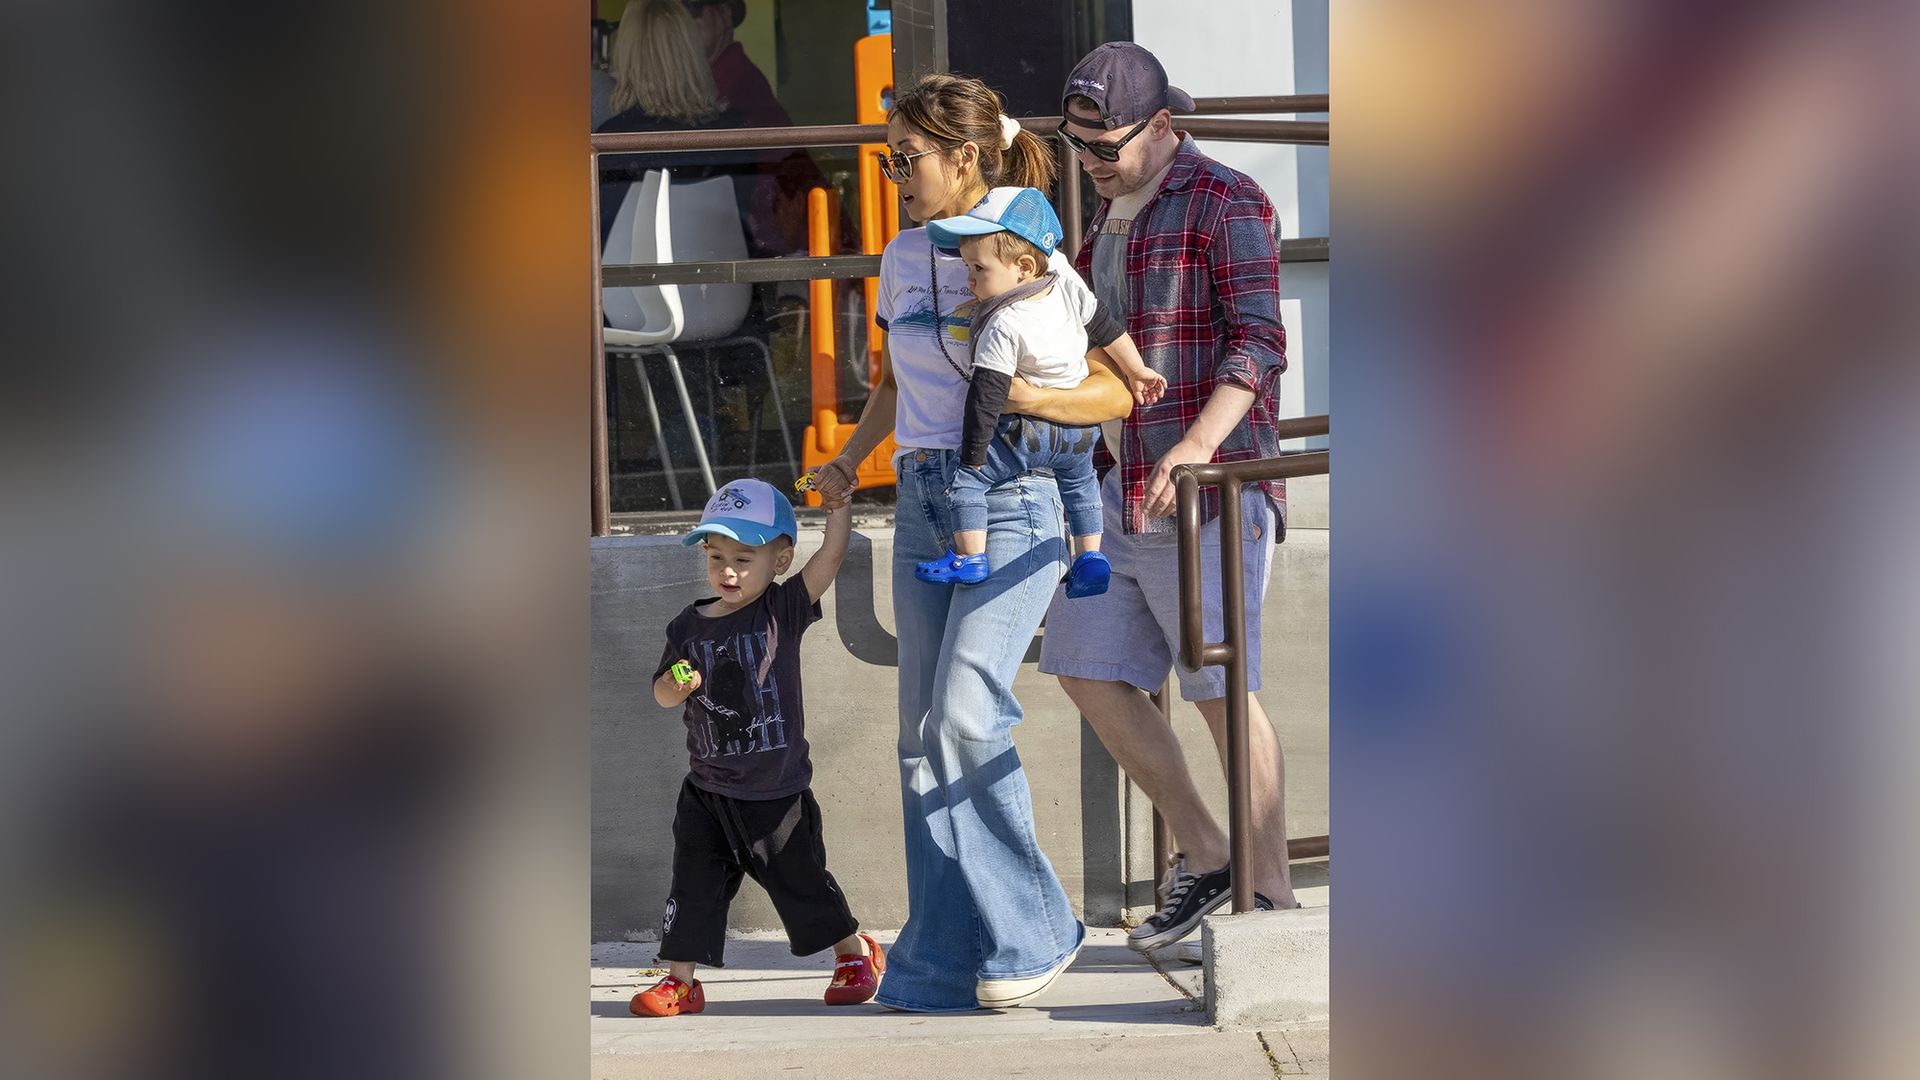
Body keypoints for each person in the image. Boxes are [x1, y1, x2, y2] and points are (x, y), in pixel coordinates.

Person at [809, 73, 1136, 1013]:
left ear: (964, 155)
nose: (895, 173)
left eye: (905, 158)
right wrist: (849, 462)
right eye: (887, 157)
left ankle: (1037, 929)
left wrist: (1028, 400)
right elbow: (887, 386)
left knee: (963, 714)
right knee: (919, 740)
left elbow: (1116, 387)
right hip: (921, 495)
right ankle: (945, 961)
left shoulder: (1024, 238)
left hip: (1022, 492)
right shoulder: (905, 252)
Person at [1030, 42, 1303, 956]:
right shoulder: (1105, 216)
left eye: (1108, 145)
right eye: (1081, 148)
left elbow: (1261, 343)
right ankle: (1209, 850)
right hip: (1121, 485)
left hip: (1210, 494)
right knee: (1084, 666)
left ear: (1163, 122)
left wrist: (1195, 448)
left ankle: (1270, 901)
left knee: (1223, 689)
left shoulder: (1226, 201)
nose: (1096, 163)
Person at [631, 478, 886, 1016]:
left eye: (744, 558)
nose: (728, 571)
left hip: (776, 793)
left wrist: (837, 507)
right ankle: (681, 981)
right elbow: (659, 694)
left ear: (780, 560)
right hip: (706, 791)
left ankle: (853, 951)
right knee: (693, 885)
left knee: (801, 883)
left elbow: (833, 556)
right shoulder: (687, 627)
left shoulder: (782, 609)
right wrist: (673, 687)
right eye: (717, 556)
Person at [912, 186, 1164, 593]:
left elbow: (986, 396)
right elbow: (1107, 328)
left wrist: (973, 458)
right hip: (1079, 433)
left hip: (1024, 432)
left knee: (967, 486)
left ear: (1025, 266)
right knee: (1082, 488)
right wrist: (1137, 371)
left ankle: (971, 556)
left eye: (978, 270)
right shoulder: (1065, 286)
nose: (970, 281)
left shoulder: (1003, 322)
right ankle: (1090, 557)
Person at [593, 0, 777, 253]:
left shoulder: (610, 143)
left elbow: (600, 246)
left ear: (626, 55)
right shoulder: (734, 131)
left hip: (630, 291)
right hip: (728, 288)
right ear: (691, 50)